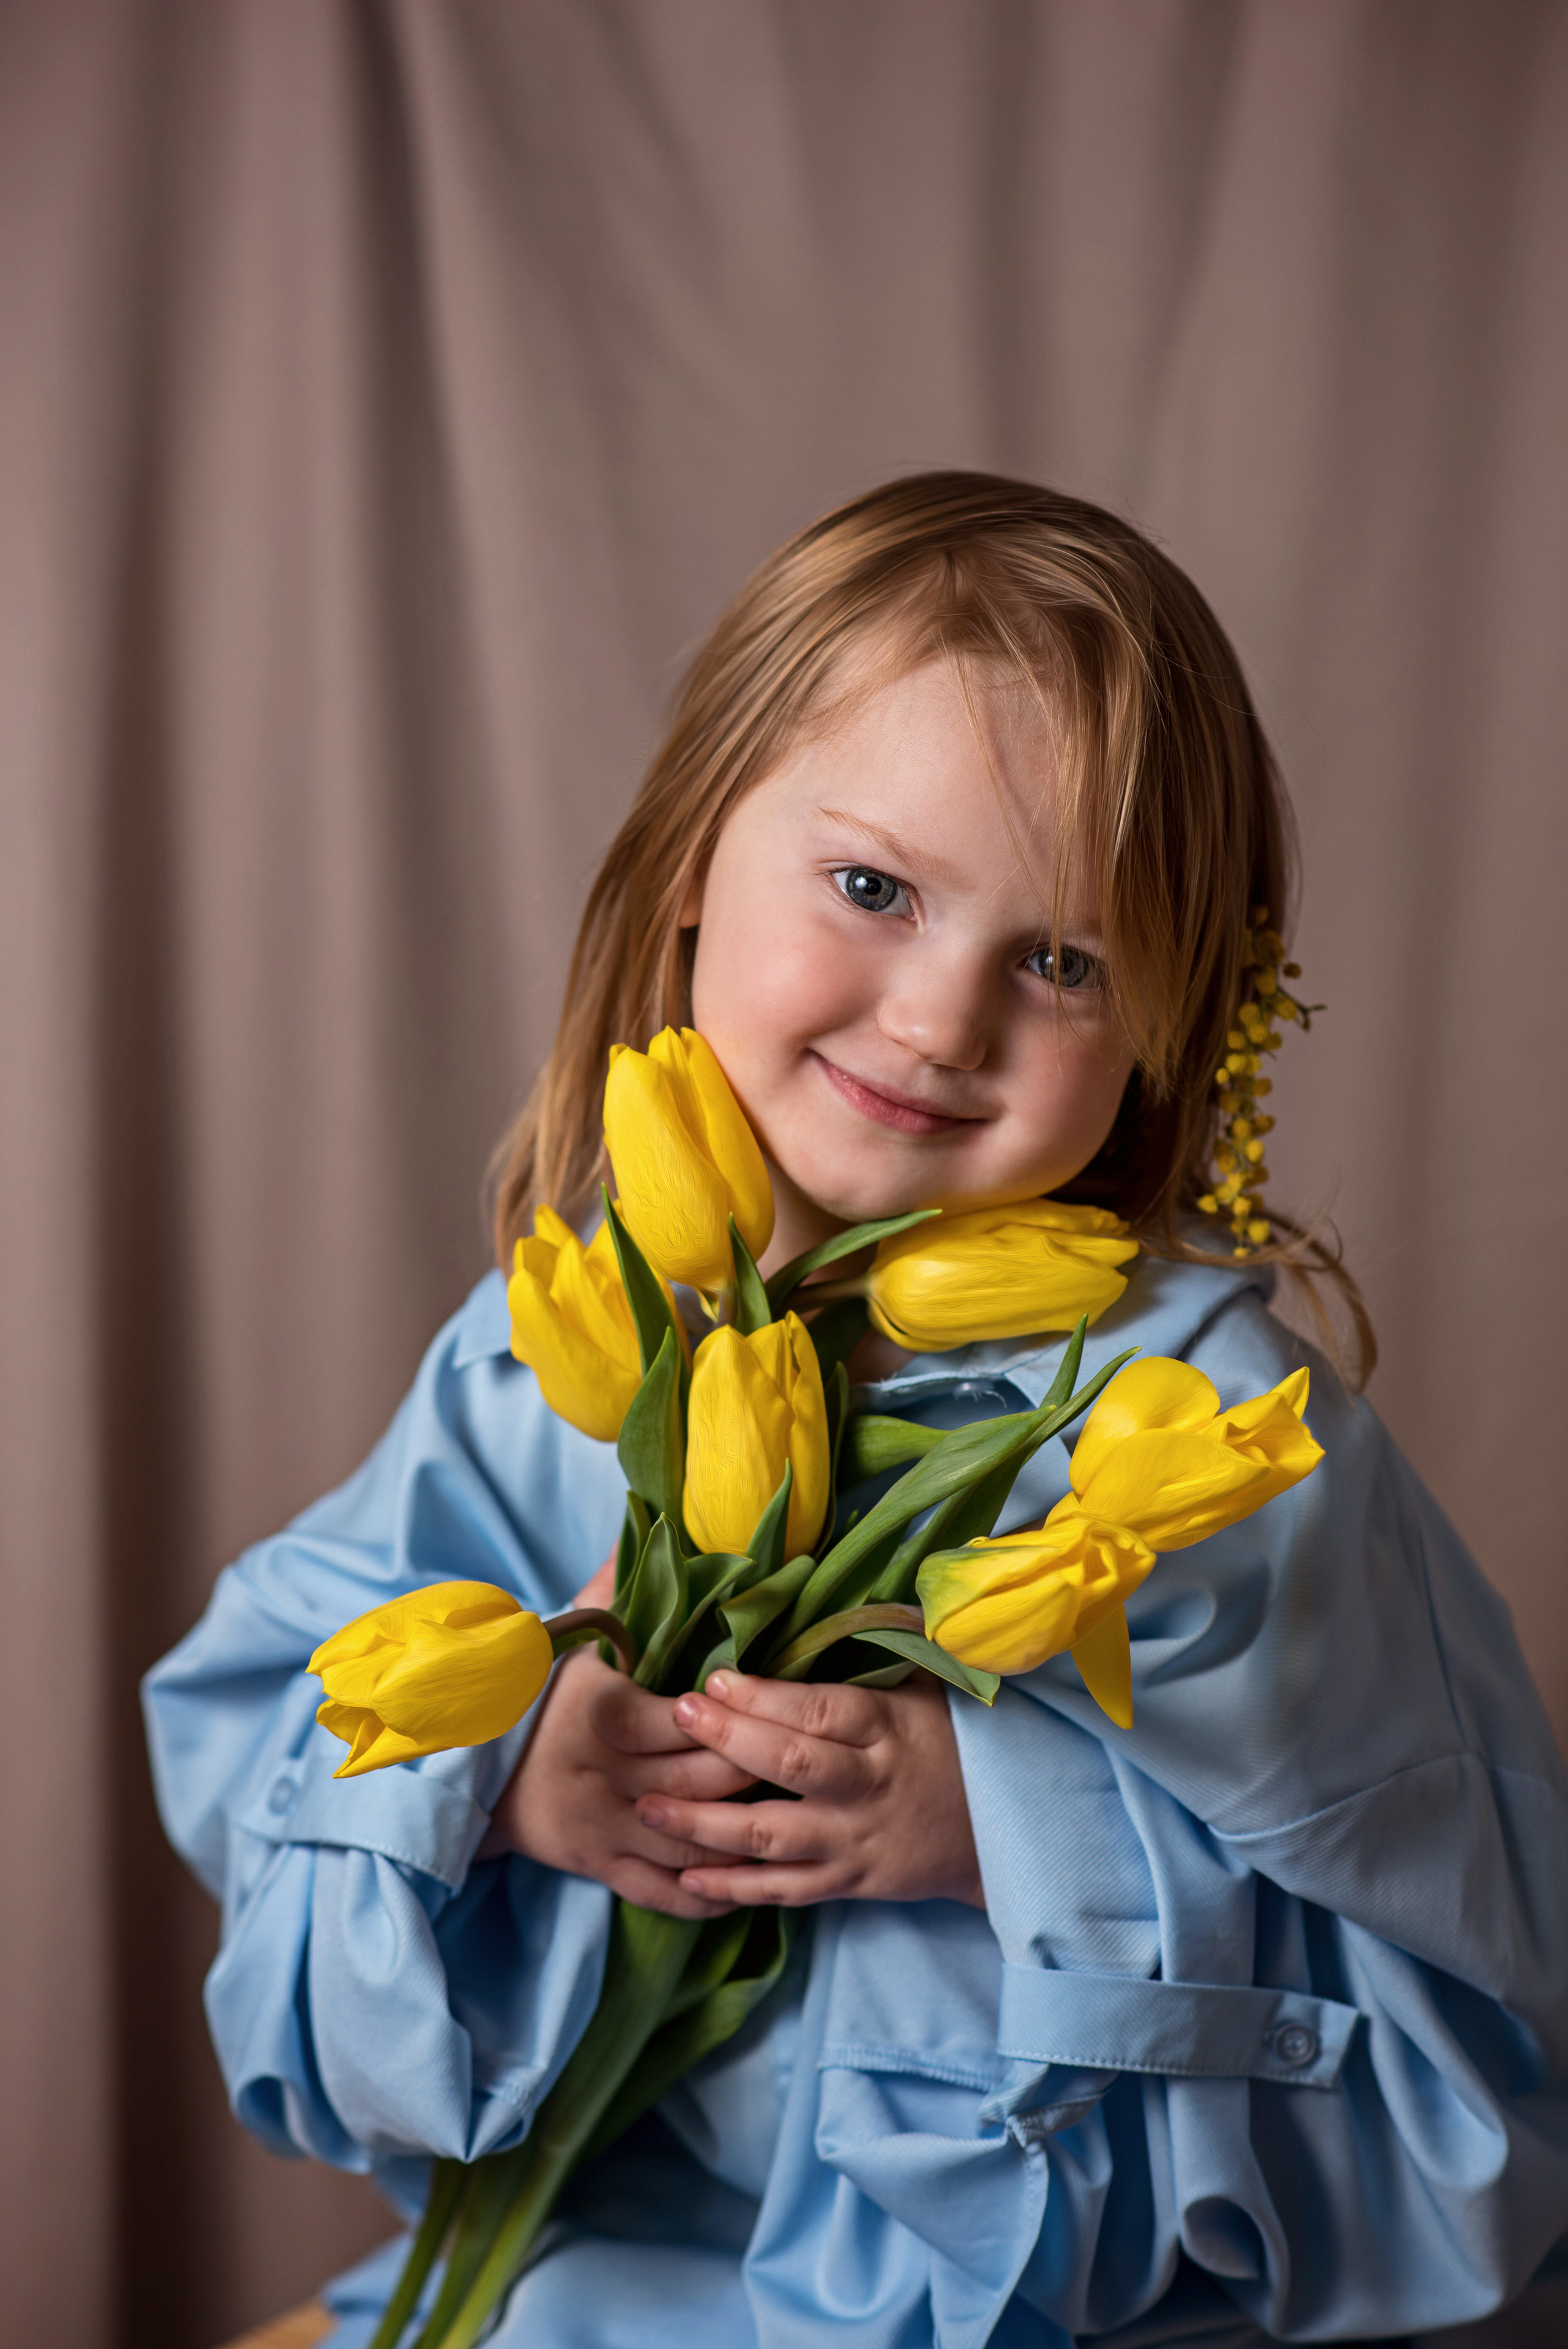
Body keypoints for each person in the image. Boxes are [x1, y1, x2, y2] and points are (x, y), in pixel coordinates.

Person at [145, 475, 1568, 2348]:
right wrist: (512, 1772)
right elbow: (267, 1728)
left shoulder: (1216, 1435)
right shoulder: (549, 1353)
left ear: (1163, 1026)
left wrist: (1004, 1822)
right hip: (623, 2274)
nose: (938, 1019)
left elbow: (1468, 1989)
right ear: (686, 870)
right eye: (874, 889)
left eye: (1058, 961)